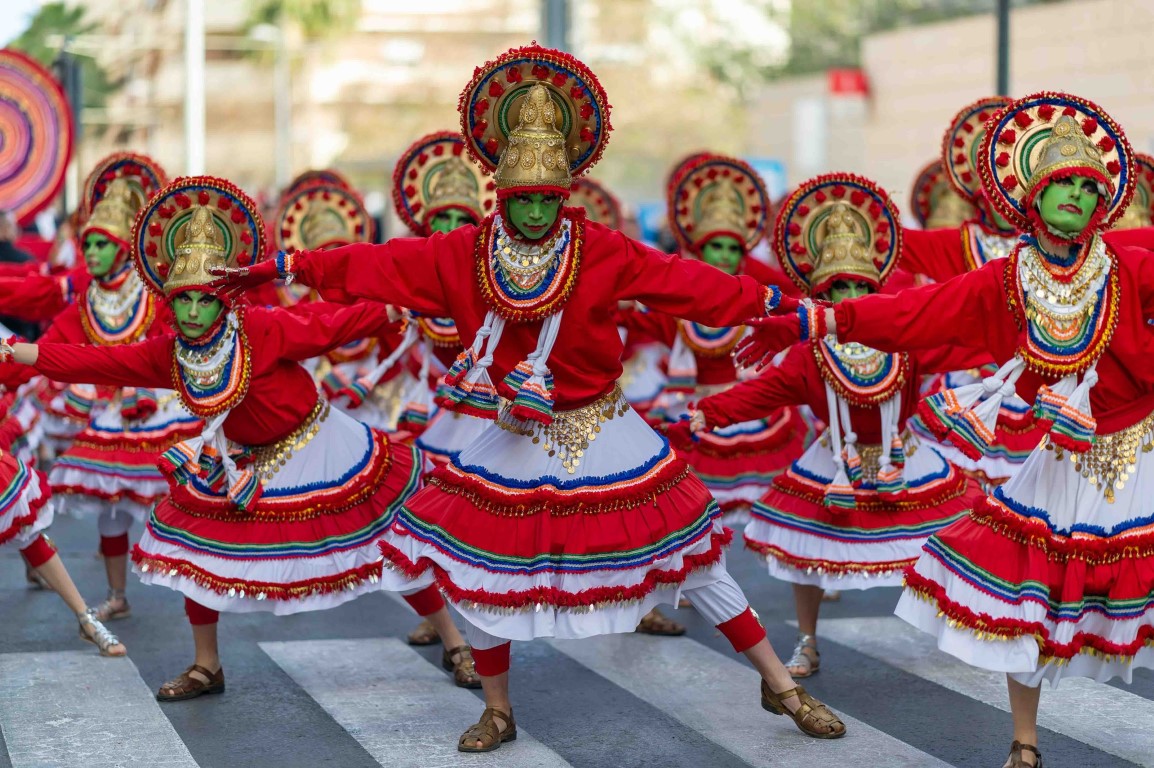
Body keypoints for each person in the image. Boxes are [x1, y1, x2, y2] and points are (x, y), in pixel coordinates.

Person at [214, 44, 846, 750]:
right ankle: (498, 709)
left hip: (605, 428)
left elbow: (685, 282)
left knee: (695, 559)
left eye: (550, 197)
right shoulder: (463, 253)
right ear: (502, 194)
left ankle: (780, 685)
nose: (539, 210)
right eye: (525, 198)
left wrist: (783, 310)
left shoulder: (601, 248)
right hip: (515, 431)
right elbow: (380, 264)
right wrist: (286, 265)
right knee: (482, 570)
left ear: (565, 193)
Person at [746, 93, 1154, 768]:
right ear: (1033, 195)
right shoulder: (1004, 280)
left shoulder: (1131, 262)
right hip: (1062, 459)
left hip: (1142, 448)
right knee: (1030, 606)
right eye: (1065, 183)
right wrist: (818, 320)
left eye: (1091, 187)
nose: (1080, 196)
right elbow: (917, 314)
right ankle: (1024, 743)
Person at [3, 176, 481, 699]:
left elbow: (326, 324)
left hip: (317, 446)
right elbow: (97, 361)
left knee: (385, 542)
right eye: (183, 300)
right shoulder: (169, 354)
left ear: (225, 301)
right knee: (194, 551)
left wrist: (391, 309)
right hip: (239, 460)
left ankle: (455, 643)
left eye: (204, 301)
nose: (191, 312)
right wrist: (16, 352)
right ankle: (206, 665)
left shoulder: (262, 329)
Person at [678, 173, 985, 679]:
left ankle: (959, 629)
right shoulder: (810, 355)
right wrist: (708, 413)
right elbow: (764, 391)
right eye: (841, 287)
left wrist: (1021, 339)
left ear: (877, 290)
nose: (852, 296)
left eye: (862, 286)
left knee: (951, 541)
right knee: (808, 553)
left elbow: (962, 341)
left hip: (903, 460)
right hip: (835, 462)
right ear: (823, 294)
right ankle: (808, 641)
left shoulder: (905, 343)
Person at [635, 152, 812, 525]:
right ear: (699, 250)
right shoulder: (674, 301)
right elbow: (632, 318)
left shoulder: (761, 298)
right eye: (717, 246)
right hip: (692, 410)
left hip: (750, 412)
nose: (725, 256)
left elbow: (802, 311)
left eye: (734, 248)